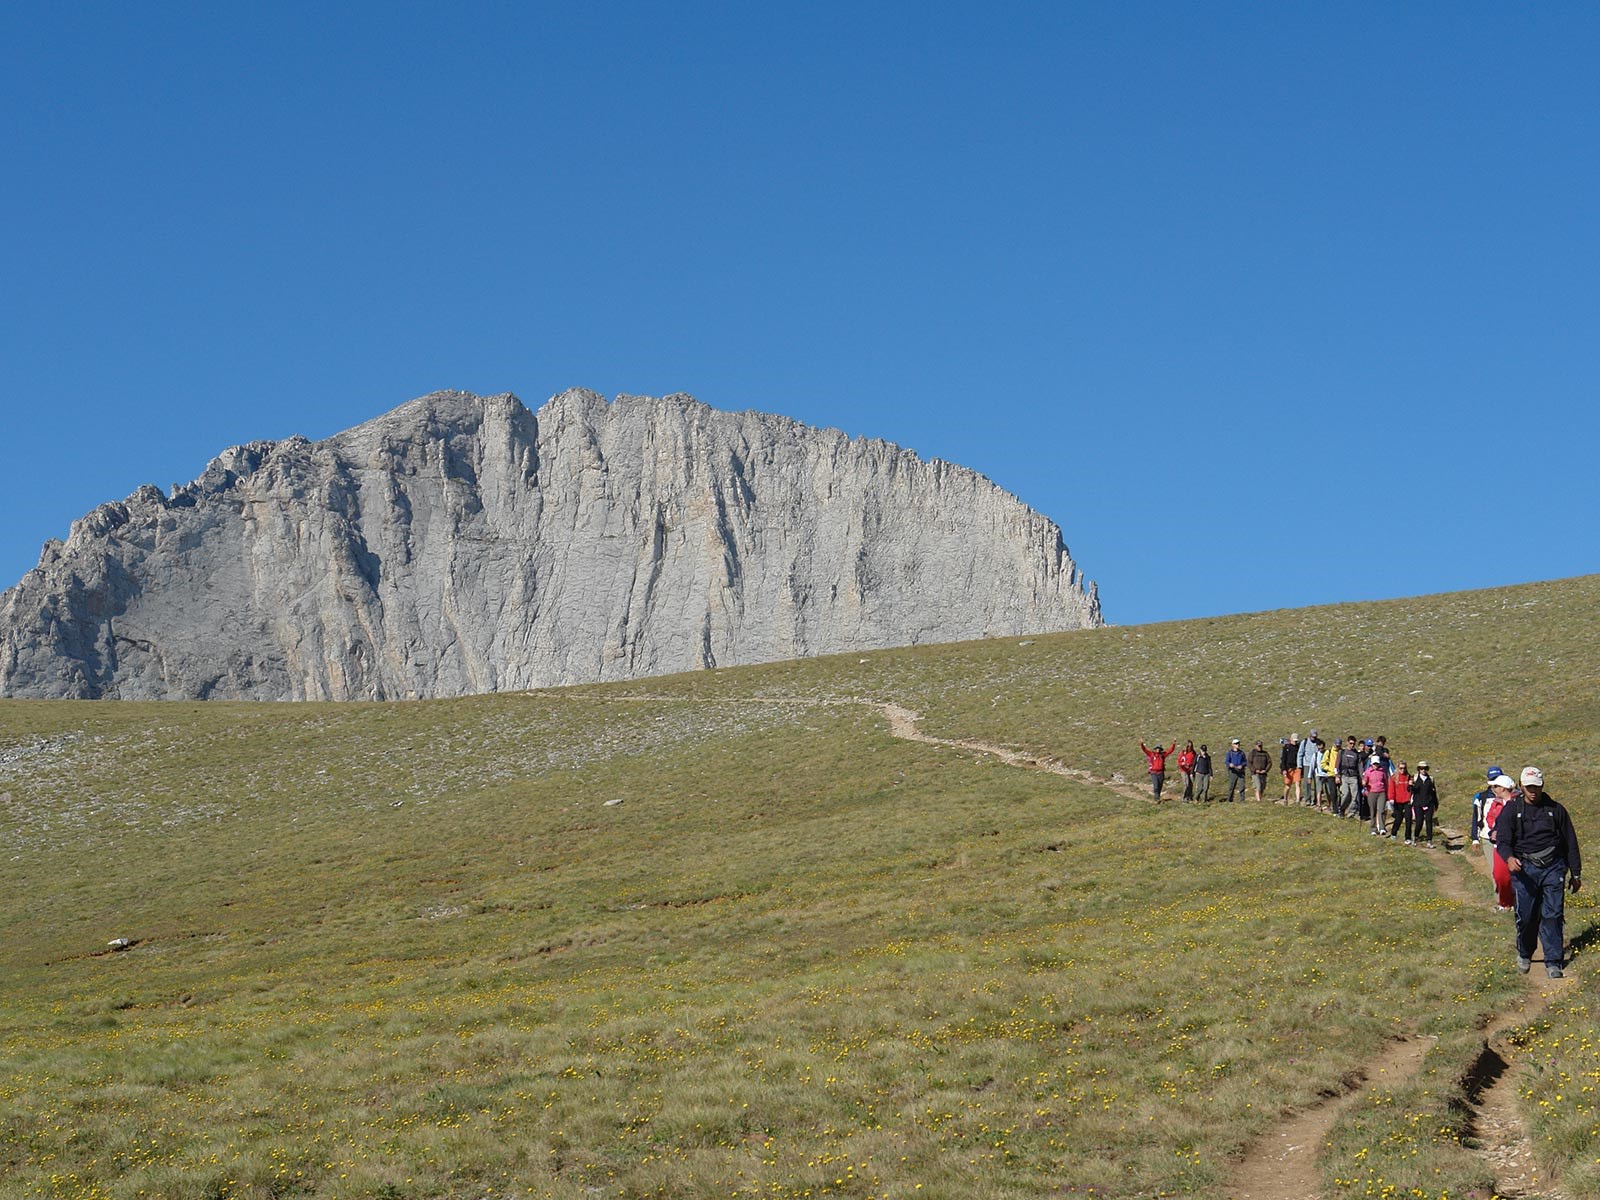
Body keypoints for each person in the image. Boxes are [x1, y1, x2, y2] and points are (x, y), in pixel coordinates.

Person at [1494, 766, 1583, 978]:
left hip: (1553, 867)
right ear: (1522, 786)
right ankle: (1525, 952)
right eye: (1529, 787)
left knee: (1552, 914)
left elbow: (1570, 842)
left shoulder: (1556, 810)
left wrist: (1576, 873)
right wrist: (1509, 858)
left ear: (1542, 786)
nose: (1533, 791)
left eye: (1537, 786)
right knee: (1526, 916)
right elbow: (1503, 841)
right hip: (1524, 868)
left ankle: (1553, 961)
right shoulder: (1511, 810)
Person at [1483, 774, 1517, 910]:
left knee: (1514, 876)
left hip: (1515, 846)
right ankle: (1505, 902)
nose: (1493, 788)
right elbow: (1491, 821)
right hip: (1499, 845)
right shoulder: (1495, 803)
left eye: (1495, 786)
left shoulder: (1517, 803)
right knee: (1499, 875)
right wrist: (1493, 833)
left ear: (1503, 788)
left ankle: (1515, 902)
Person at [1471, 765, 1505, 848]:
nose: (1495, 782)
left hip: (1506, 839)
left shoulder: (1509, 796)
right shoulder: (1481, 797)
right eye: (1493, 779)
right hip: (1487, 837)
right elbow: (1476, 818)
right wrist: (1475, 839)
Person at [1410, 760, 1440, 847]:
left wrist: (1436, 804)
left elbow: (1433, 792)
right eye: (1421, 768)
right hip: (1418, 804)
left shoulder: (1430, 779)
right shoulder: (1415, 778)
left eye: (1425, 768)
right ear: (1418, 769)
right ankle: (1415, 837)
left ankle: (1429, 841)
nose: (1423, 770)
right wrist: (1411, 785)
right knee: (1419, 822)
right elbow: (1410, 791)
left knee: (1429, 821)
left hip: (1429, 803)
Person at [1336, 736, 1363, 818]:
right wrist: (1337, 776)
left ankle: (1351, 812)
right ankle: (1342, 809)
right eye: (1350, 743)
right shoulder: (1342, 752)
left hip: (1353, 777)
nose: (1352, 745)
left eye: (1353, 744)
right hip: (1344, 776)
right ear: (1347, 742)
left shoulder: (1357, 754)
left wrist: (1362, 778)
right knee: (1345, 794)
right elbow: (1337, 764)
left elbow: (1360, 767)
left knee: (1354, 795)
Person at [1387, 760, 1414, 843]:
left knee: (1408, 818)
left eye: (1404, 768)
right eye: (1401, 768)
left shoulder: (1408, 776)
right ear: (1398, 768)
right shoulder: (1393, 777)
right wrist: (1391, 798)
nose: (1403, 770)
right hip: (1397, 801)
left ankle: (1408, 837)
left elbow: (1411, 789)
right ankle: (1394, 833)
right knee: (1398, 818)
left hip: (1407, 800)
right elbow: (1391, 788)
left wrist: (1411, 785)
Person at [1364, 755, 1390, 836]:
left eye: (1377, 764)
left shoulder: (1382, 772)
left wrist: (1387, 792)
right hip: (1371, 793)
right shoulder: (1368, 772)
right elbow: (1365, 780)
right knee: (1373, 811)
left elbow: (1386, 782)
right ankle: (1373, 828)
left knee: (1381, 810)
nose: (1375, 765)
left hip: (1381, 793)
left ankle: (1382, 828)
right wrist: (1364, 783)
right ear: (1371, 764)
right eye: (1374, 764)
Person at [1298, 731, 1322, 806]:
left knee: (1317, 783)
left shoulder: (1319, 742)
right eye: (1312, 737)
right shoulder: (1304, 742)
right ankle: (1307, 799)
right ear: (1309, 735)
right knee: (1307, 783)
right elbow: (1300, 754)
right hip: (1307, 765)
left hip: (1316, 765)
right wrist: (1299, 766)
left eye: (1315, 737)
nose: (1313, 738)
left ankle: (1316, 800)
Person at [1280, 736, 1300, 803]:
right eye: (1294, 741)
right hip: (1288, 769)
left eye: (1296, 741)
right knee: (1288, 785)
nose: (1295, 742)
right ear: (1291, 740)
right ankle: (1285, 799)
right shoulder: (1286, 747)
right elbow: (1283, 759)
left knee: (1297, 784)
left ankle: (1298, 800)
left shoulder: (1299, 747)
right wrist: (1284, 769)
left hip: (1297, 768)